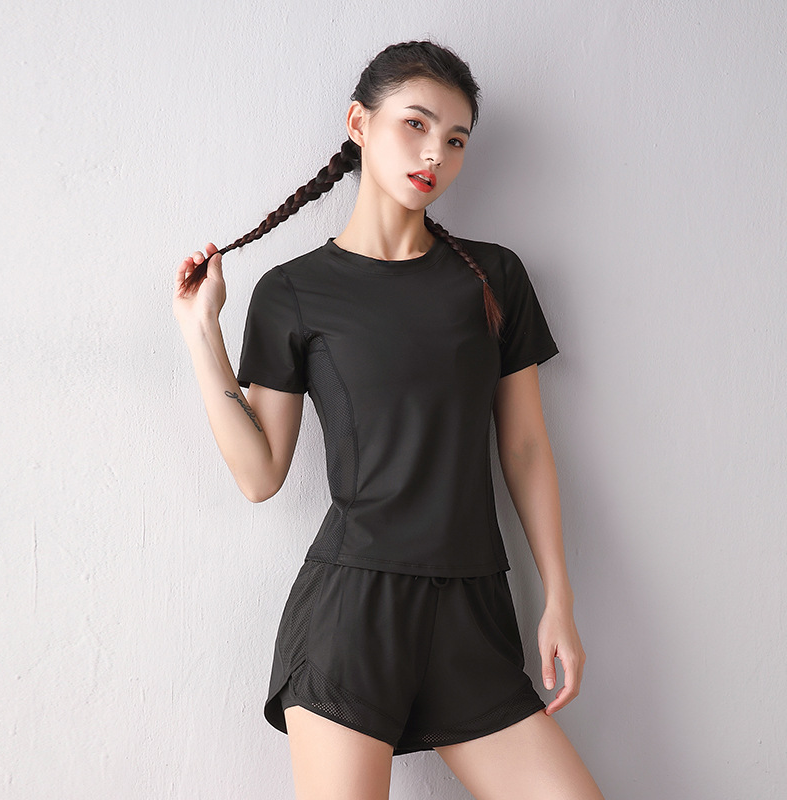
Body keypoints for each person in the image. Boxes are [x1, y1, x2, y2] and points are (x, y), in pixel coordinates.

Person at [173, 39, 605, 800]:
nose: (435, 151)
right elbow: (260, 475)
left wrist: (558, 599)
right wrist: (201, 333)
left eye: (457, 139)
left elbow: (527, 448)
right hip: (352, 617)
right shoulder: (293, 291)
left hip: (473, 613)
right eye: (416, 123)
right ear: (359, 124)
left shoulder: (493, 276)